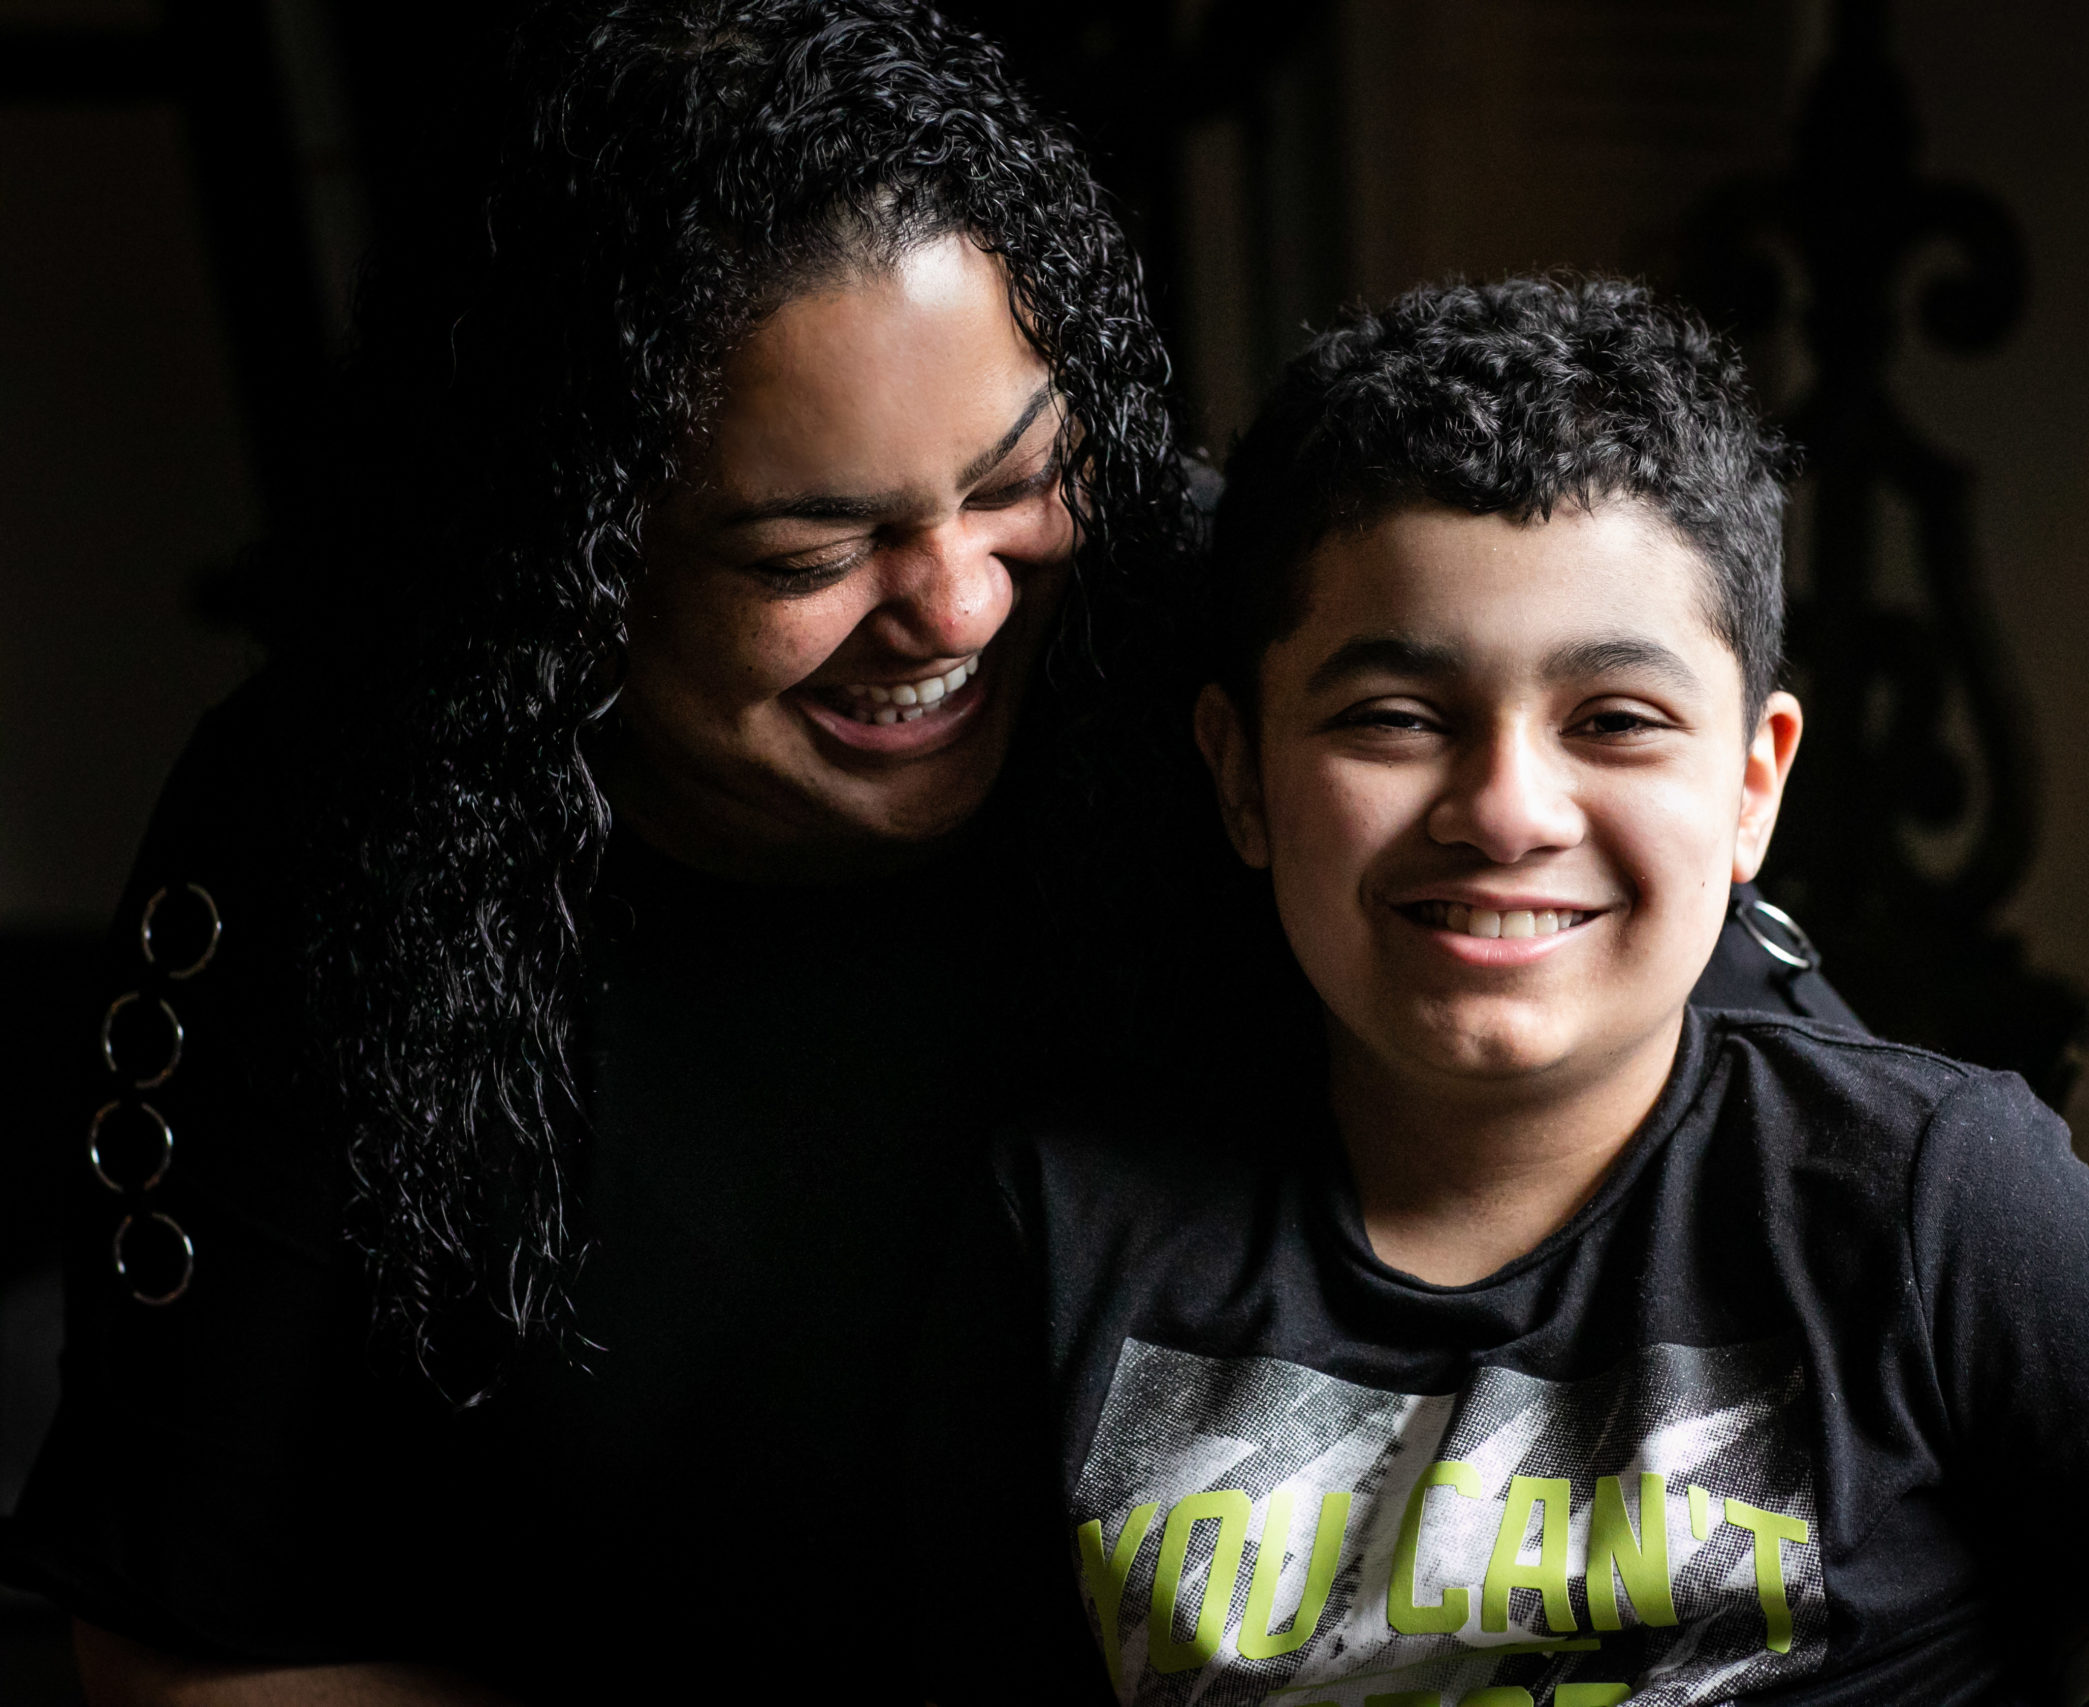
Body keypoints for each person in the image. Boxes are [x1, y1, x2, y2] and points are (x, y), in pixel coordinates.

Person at [915, 277, 2089, 1705]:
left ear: (1754, 786)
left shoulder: (1937, 1210)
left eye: (1612, 719)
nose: (1509, 807)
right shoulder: (1057, 1235)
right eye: (1395, 716)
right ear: (1241, 775)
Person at [0, 3, 1197, 1701]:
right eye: (808, 550)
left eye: (1020, 480)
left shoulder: (1233, 665)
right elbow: (180, 1663)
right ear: (563, 566)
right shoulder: (330, 822)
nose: (958, 602)